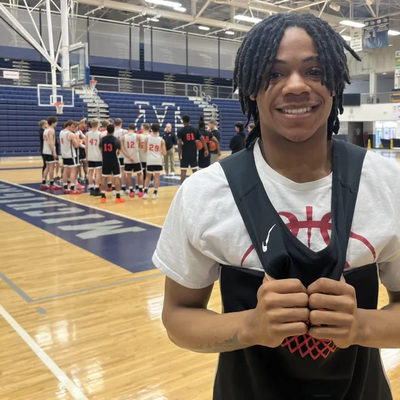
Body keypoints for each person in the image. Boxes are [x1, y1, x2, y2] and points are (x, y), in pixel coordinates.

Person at [153, 13, 400, 400]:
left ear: (336, 82)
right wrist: (250, 327)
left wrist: (361, 326)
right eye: (274, 73)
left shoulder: (387, 184)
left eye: (314, 71)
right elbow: (178, 317)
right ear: (251, 87)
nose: (296, 85)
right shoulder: (204, 192)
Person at [178, 115, 208, 184]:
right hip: (193, 153)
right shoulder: (195, 129)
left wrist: (179, 155)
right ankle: (197, 185)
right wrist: (206, 149)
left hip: (185, 153)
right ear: (189, 121)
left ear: (183, 121)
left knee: (183, 172)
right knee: (195, 171)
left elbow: (179, 144)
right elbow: (203, 139)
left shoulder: (181, 131)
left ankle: (182, 187)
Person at [99, 124, 125, 204]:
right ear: (114, 131)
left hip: (105, 160)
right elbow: (119, 151)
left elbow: (100, 148)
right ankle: (118, 197)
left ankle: (103, 196)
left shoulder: (102, 139)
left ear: (107, 130)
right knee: (116, 177)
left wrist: (104, 154)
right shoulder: (116, 140)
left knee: (104, 178)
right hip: (114, 160)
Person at [143, 123, 166, 199]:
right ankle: (155, 193)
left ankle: (145, 193)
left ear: (151, 129)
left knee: (148, 176)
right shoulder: (161, 140)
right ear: (159, 129)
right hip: (158, 160)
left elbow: (144, 150)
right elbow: (164, 153)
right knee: (157, 177)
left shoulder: (147, 138)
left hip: (150, 160)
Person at [121, 123, 144, 198]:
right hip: (136, 158)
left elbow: (122, 149)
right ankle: (140, 190)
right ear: (135, 129)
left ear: (128, 128)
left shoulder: (123, 137)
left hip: (127, 159)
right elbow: (140, 146)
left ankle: (131, 191)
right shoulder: (138, 136)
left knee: (128, 175)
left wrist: (129, 156)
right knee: (139, 174)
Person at [60, 120, 80, 194]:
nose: (73, 129)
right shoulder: (71, 134)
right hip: (71, 155)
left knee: (65, 170)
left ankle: (65, 187)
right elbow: (76, 145)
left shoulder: (61, 132)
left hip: (64, 154)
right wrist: (79, 141)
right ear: (68, 126)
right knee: (73, 171)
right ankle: (72, 188)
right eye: (72, 127)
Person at [41, 116, 61, 190]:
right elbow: (51, 143)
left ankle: (43, 182)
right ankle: (52, 183)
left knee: (47, 167)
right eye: (56, 122)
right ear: (53, 123)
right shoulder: (51, 130)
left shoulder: (45, 130)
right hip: (50, 151)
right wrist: (54, 152)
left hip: (45, 151)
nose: (56, 124)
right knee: (51, 168)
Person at [86, 118, 105, 196]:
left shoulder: (87, 134)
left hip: (90, 155)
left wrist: (87, 155)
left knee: (90, 172)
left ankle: (91, 188)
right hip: (98, 155)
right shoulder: (100, 134)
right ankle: (97, 188)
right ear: (98, 124)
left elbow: (86, 146)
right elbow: (102, 146)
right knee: (98, 173)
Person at [113, 118, 127, 194]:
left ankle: (113, 188)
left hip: (113, 154)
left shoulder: (111, 131)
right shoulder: (124, 132)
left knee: (114, 172)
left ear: (114, 124)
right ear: (121, 124)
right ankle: (123, 187)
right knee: (123, 171)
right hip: (122, 154)